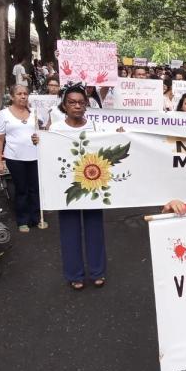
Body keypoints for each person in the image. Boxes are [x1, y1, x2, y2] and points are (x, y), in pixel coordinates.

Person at [32, 84, 107, 290]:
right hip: (65, 188)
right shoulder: (55, 129)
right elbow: (48, 155)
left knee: (95, 229)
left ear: (86, 105)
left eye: (81, 103)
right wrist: (40, 141)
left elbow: (105, 149)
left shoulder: (95, 127)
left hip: (92, 186)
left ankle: (97, 271)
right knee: (69, 230)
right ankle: (75, 274)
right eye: (72, 102)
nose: (77, 106)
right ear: (64, 106)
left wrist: (118, 134)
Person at [0, 85, 45, 233]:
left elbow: (41, 132)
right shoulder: (3, 114)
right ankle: (23, 220)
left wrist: (39, 136)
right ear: (12, 97)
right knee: (21, 189)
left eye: (25, 94)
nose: (23, 96)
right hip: (14, 158)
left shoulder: (34, 113)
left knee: (35, 188)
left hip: (35, 156)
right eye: (19, 94)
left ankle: (37, 218)